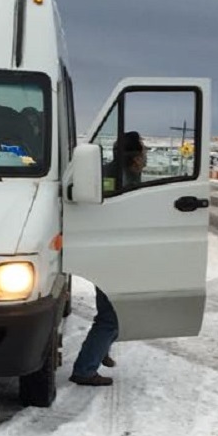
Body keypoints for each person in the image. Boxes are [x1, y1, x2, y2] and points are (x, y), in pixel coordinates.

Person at [69, 132, 146, 386]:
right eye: (142, 150)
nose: (145, 155)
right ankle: (85, 369)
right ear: (134, 156)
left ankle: (100, 352)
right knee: (111, 316)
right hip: (112, 253)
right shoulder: (116, 177)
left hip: (116, 251)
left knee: (112, 311)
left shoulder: (125, 174)